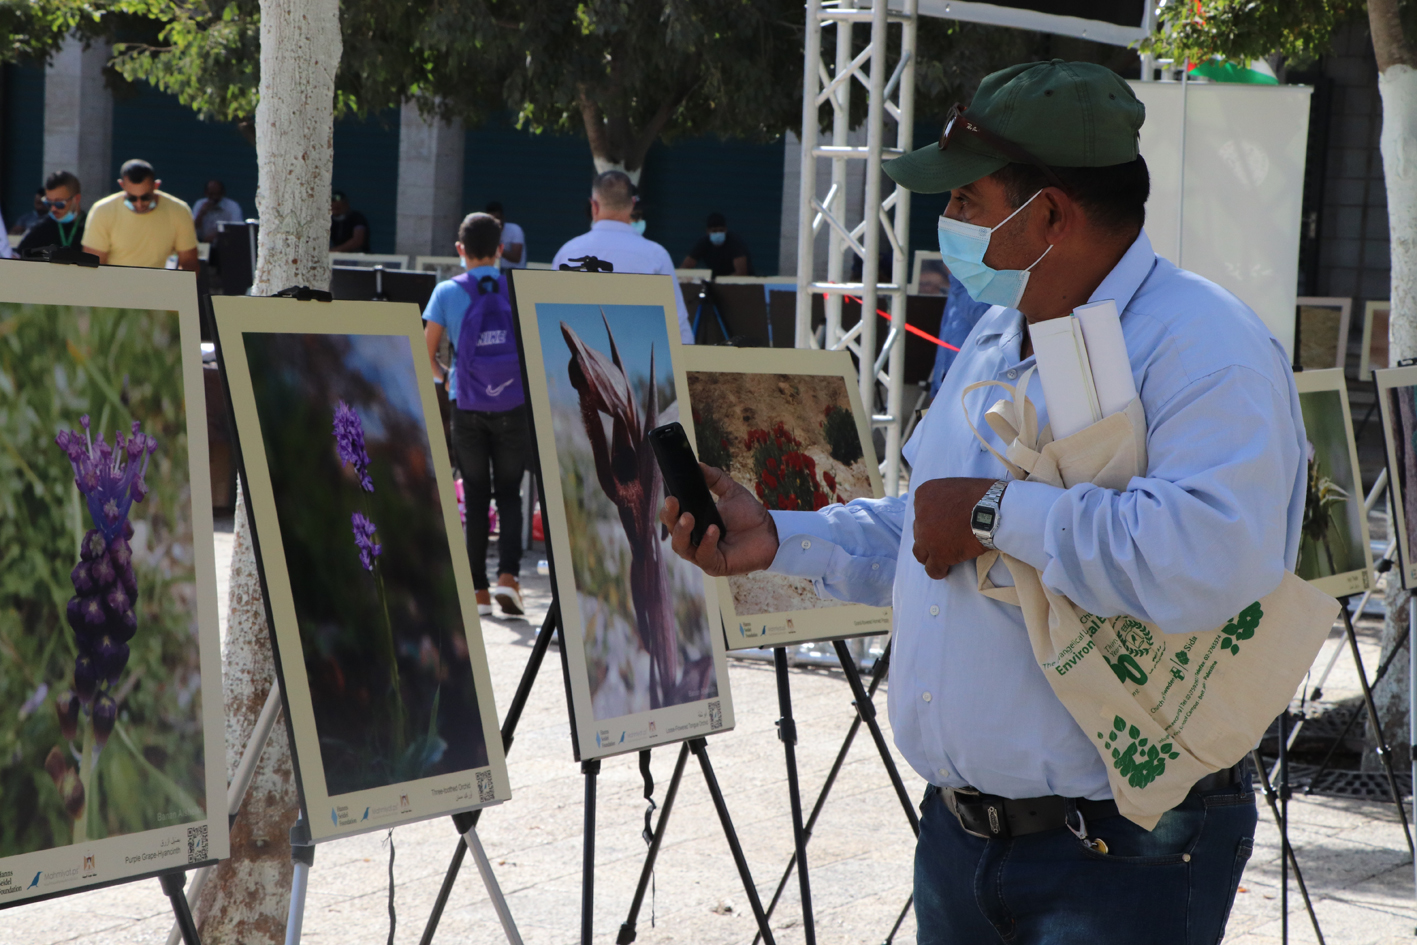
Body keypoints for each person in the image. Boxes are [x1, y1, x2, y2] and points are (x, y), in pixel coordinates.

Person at [662, 60, 1296, 944]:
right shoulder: (1002, 331)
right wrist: (779, 538)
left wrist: (996, 510)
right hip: (961, 842)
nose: (947, 223)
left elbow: (1210, 555)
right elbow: (931, 526)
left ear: (1046, 215)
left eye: (965, 200)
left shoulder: (1203, 345)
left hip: (1121, 853)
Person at [422, 212, 529, 617]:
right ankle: (509, 578)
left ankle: (478, 593)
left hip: (465, 406)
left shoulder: (446, 292)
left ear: (460, 250)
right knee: (509, 495)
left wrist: (447, 379)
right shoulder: (516, 288)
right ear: (501, 249)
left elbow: (426, 352)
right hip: (513, 406)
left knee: (477, 494)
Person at [552, 171, 693, 344]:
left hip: (578, 357)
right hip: (637, 356)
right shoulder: (656, 255)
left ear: (594, 206)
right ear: (633, 203)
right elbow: (677, 325)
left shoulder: (567, 253)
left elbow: (553, 314)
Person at [82, 159, 198, 270]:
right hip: (114, 286)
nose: (139, 204)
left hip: (159, 286)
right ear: (122, 186)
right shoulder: (102, 211)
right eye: (132, 198)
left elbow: (189, 263)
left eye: (146, 197)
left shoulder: (179, 211)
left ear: (156, 186)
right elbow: (94, 264)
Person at [927, 269, 992, 399]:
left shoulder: (981, 280)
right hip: (946, 385)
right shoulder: (957, 283)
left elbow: (985, 320)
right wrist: (937, 386)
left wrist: (957, 276)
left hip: (973, 387)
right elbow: (948, 333)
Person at [19, 171, 85, 257]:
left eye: (59, 203)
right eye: (48, 203)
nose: (53, 208)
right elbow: (19, 255)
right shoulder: (40, 228)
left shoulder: (92, 227)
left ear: (76, 199)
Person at [681, 211, 751, 277]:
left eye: (721, 230)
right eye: (714, 231)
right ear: (708, 231)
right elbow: (685, 268)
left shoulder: (735, 243)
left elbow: (741, 273)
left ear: (726, 230)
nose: (718, 233)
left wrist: (720, 282)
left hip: (736, 283)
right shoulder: (703, 243)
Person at [485, 201, 526, 270]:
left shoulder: (515, 230)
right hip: (495, 273)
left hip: (515, 273)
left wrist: (495, 247)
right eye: (492, 219)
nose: (496, 222)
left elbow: (516, 258)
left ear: (503, 217)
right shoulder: (485, 232)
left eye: (498, 218)